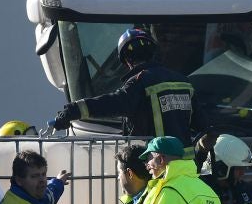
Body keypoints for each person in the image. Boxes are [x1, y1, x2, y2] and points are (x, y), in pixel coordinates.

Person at [51, 27, 197, 141]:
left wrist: (72, 111)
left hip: (158, 164)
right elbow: (201, 125)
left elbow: (113, 103)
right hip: (187, 165)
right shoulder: (183, 81)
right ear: (153, 54)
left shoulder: (139, 82)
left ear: (126, 61)